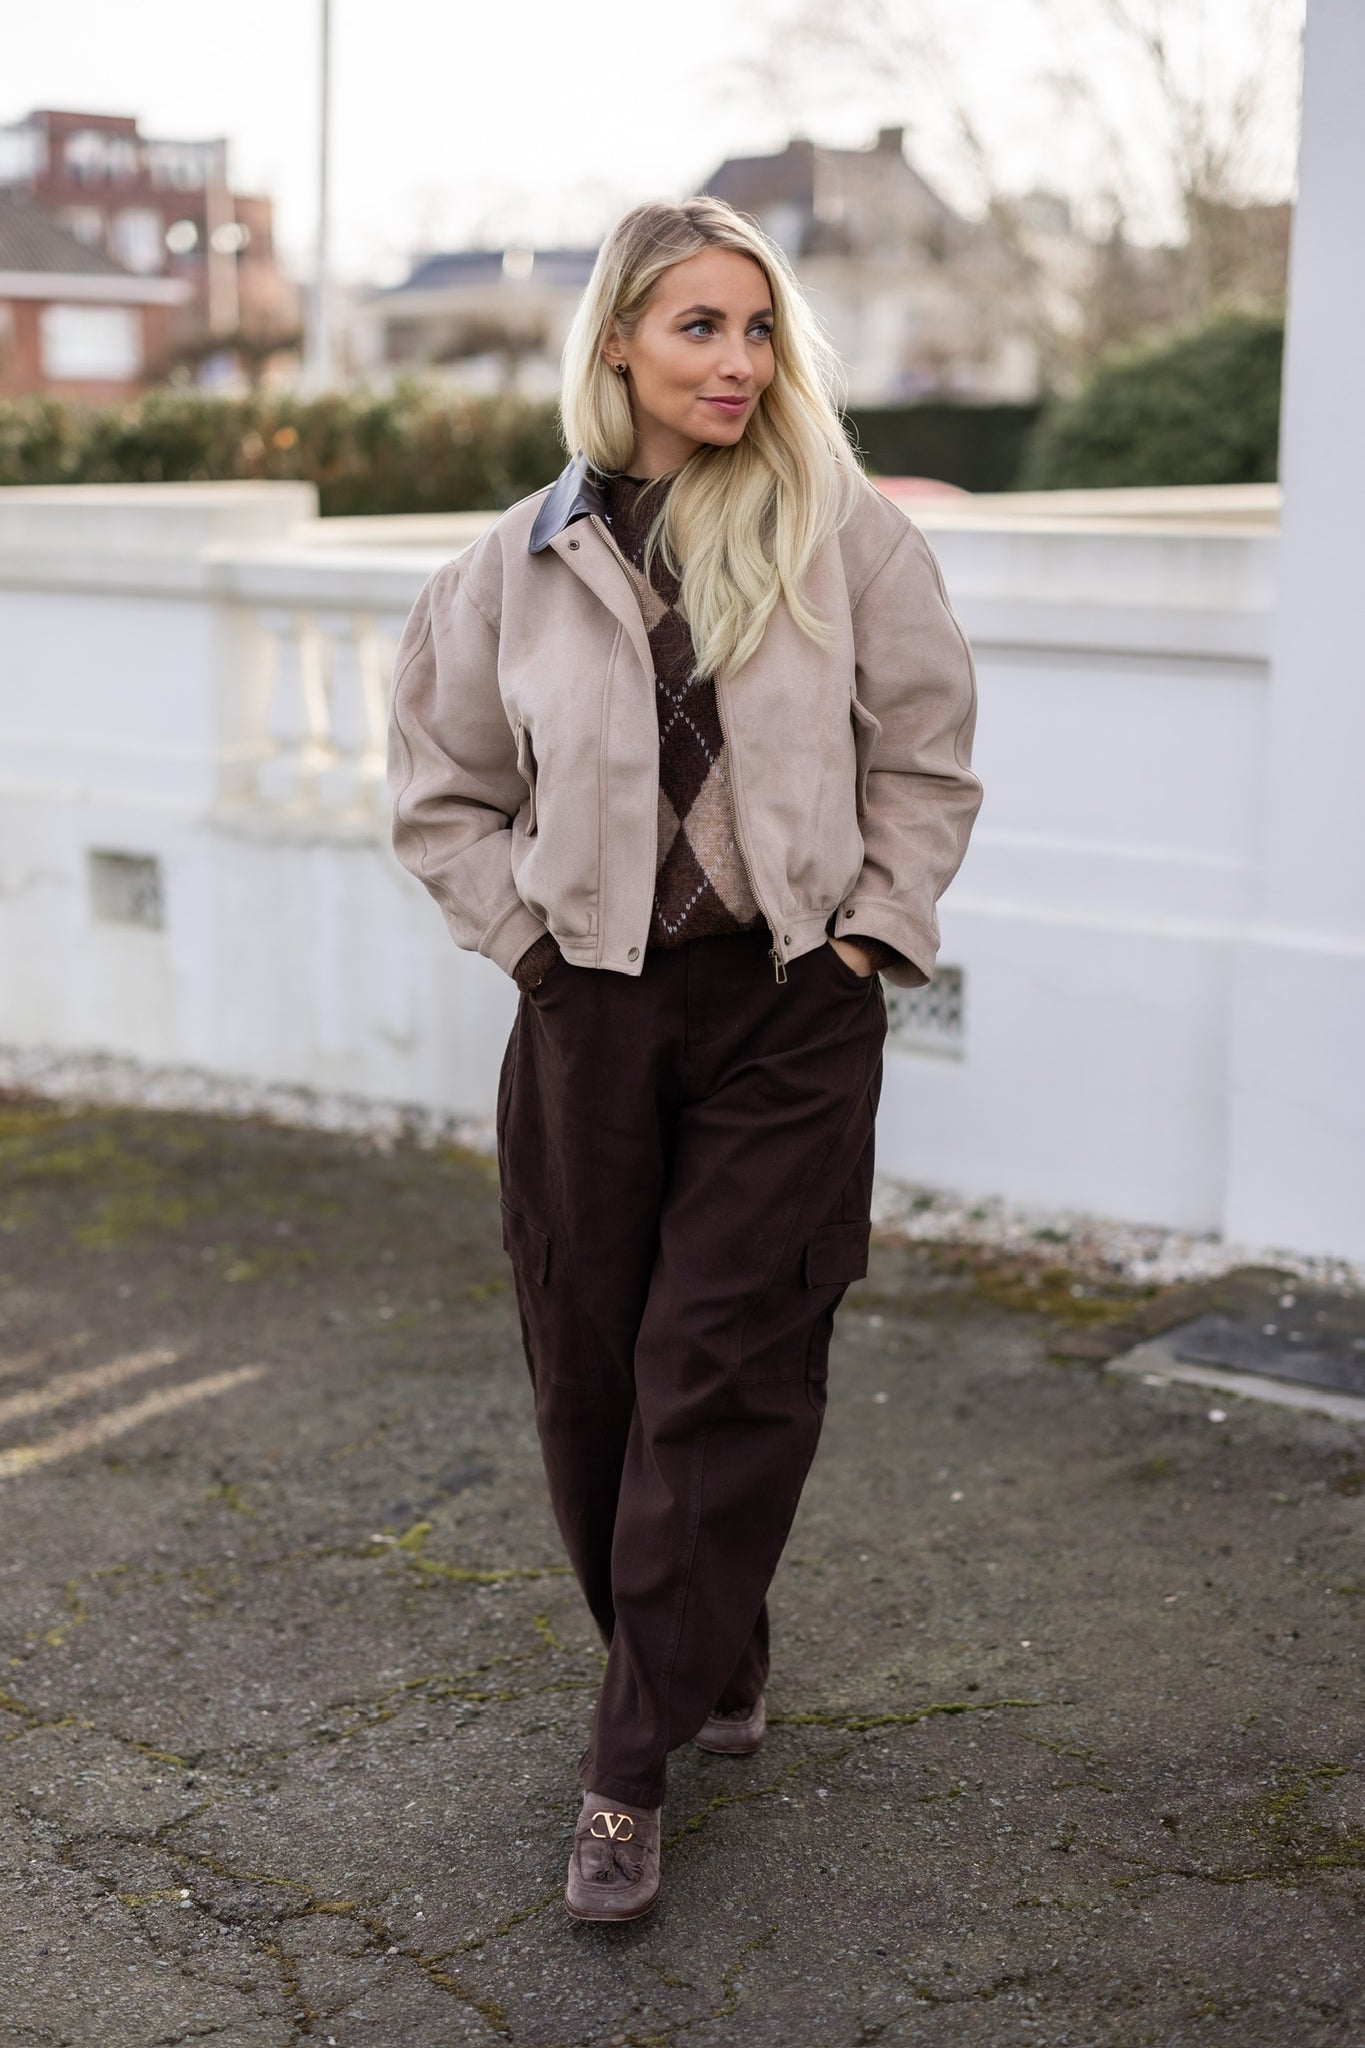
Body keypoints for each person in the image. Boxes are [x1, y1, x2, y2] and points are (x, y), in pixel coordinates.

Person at [388, 196, 982, 1923]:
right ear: (620, 343)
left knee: (719, 1366)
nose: (739, 362)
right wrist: (528, 951)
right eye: (700, 326)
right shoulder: (510, 565)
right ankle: (707, 1644)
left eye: (759, 328)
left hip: (789, 1010)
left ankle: (624, 1774)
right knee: (591, 1382)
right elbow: (440, 791)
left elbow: (926, 757)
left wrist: (868, 937)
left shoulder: (843, 533)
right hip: (589, 1012)